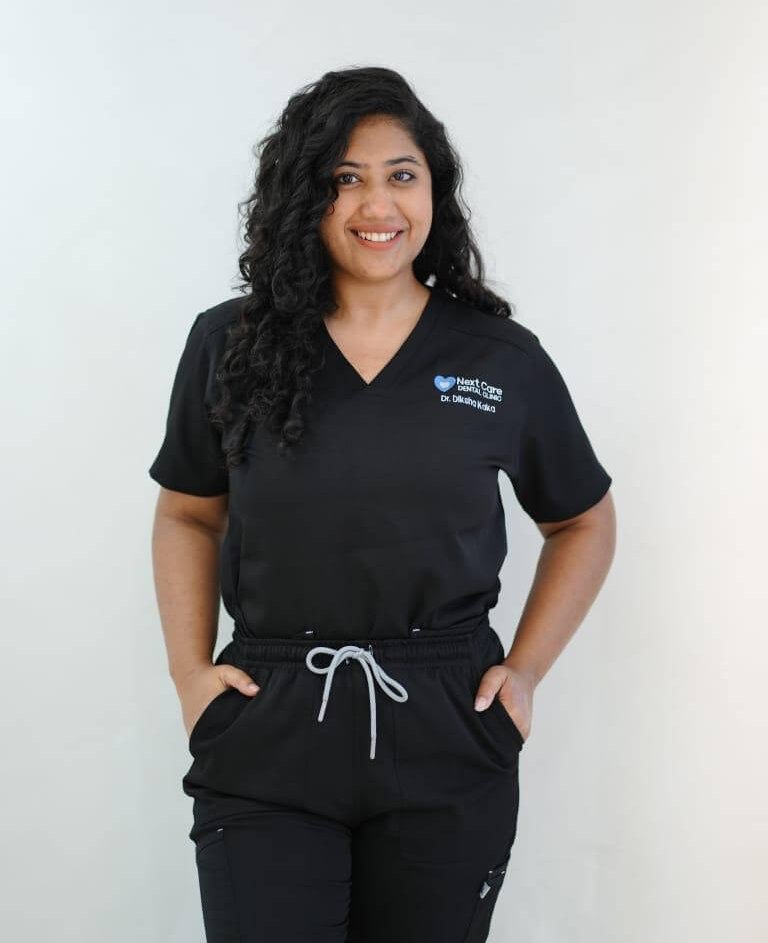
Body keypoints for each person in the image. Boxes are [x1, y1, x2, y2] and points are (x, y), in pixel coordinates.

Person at [148, 66, 616, 943]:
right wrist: (189, 674)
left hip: (447, 721)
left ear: (434, 189)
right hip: (272, 717)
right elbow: (188, 513)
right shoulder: (229, 343)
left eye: (402, 174)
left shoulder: (499, 357)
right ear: (306, 195)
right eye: (345, 178)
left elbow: (582, 519)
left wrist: (524, 672)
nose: (378, 204)